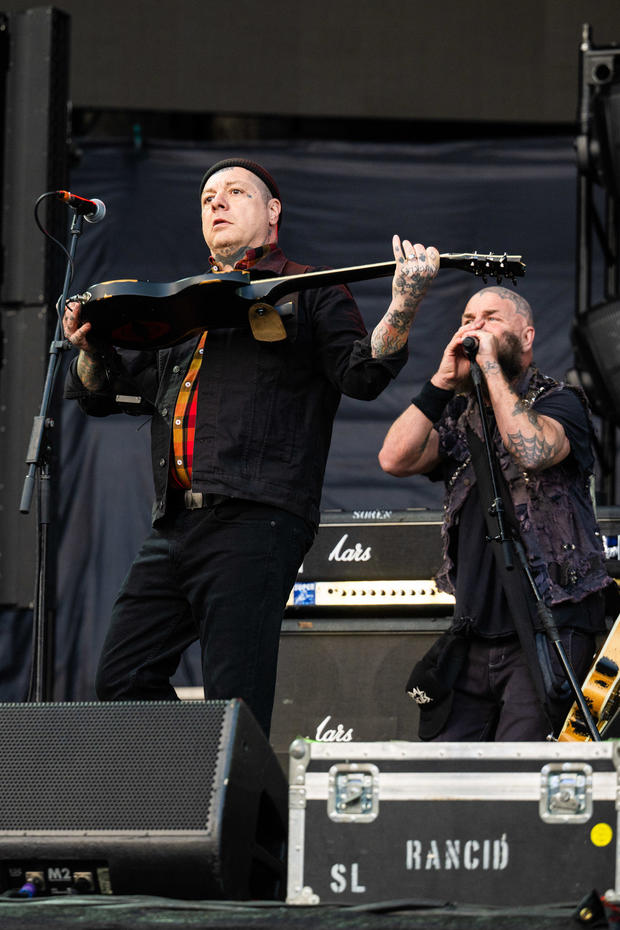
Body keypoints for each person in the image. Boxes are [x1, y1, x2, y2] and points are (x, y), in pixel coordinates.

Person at [63, 157, 439, 736]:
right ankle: (198, 794)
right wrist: (89, 348)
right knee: (122, 676)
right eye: (208, 195)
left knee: (234, 697)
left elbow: (363, 374)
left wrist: (404, 304)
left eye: (235, 191)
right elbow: (106, 396)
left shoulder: (308, 289)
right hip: (174, 525)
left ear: (272, 212)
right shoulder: (180, 306)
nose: (216, 202)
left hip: (257, 517)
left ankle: (242, 823)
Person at [378, 285, 614, 741]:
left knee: (522, 775)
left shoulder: (560, 402)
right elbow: (394, 459)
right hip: (474, 633)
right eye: (468, 318)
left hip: (550, 627)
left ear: (526, 337)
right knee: (448, 777)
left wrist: (488, 366)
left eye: (490, 318)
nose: (474, 327)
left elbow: (532, 450)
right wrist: (442, 383)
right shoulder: (458, 414)